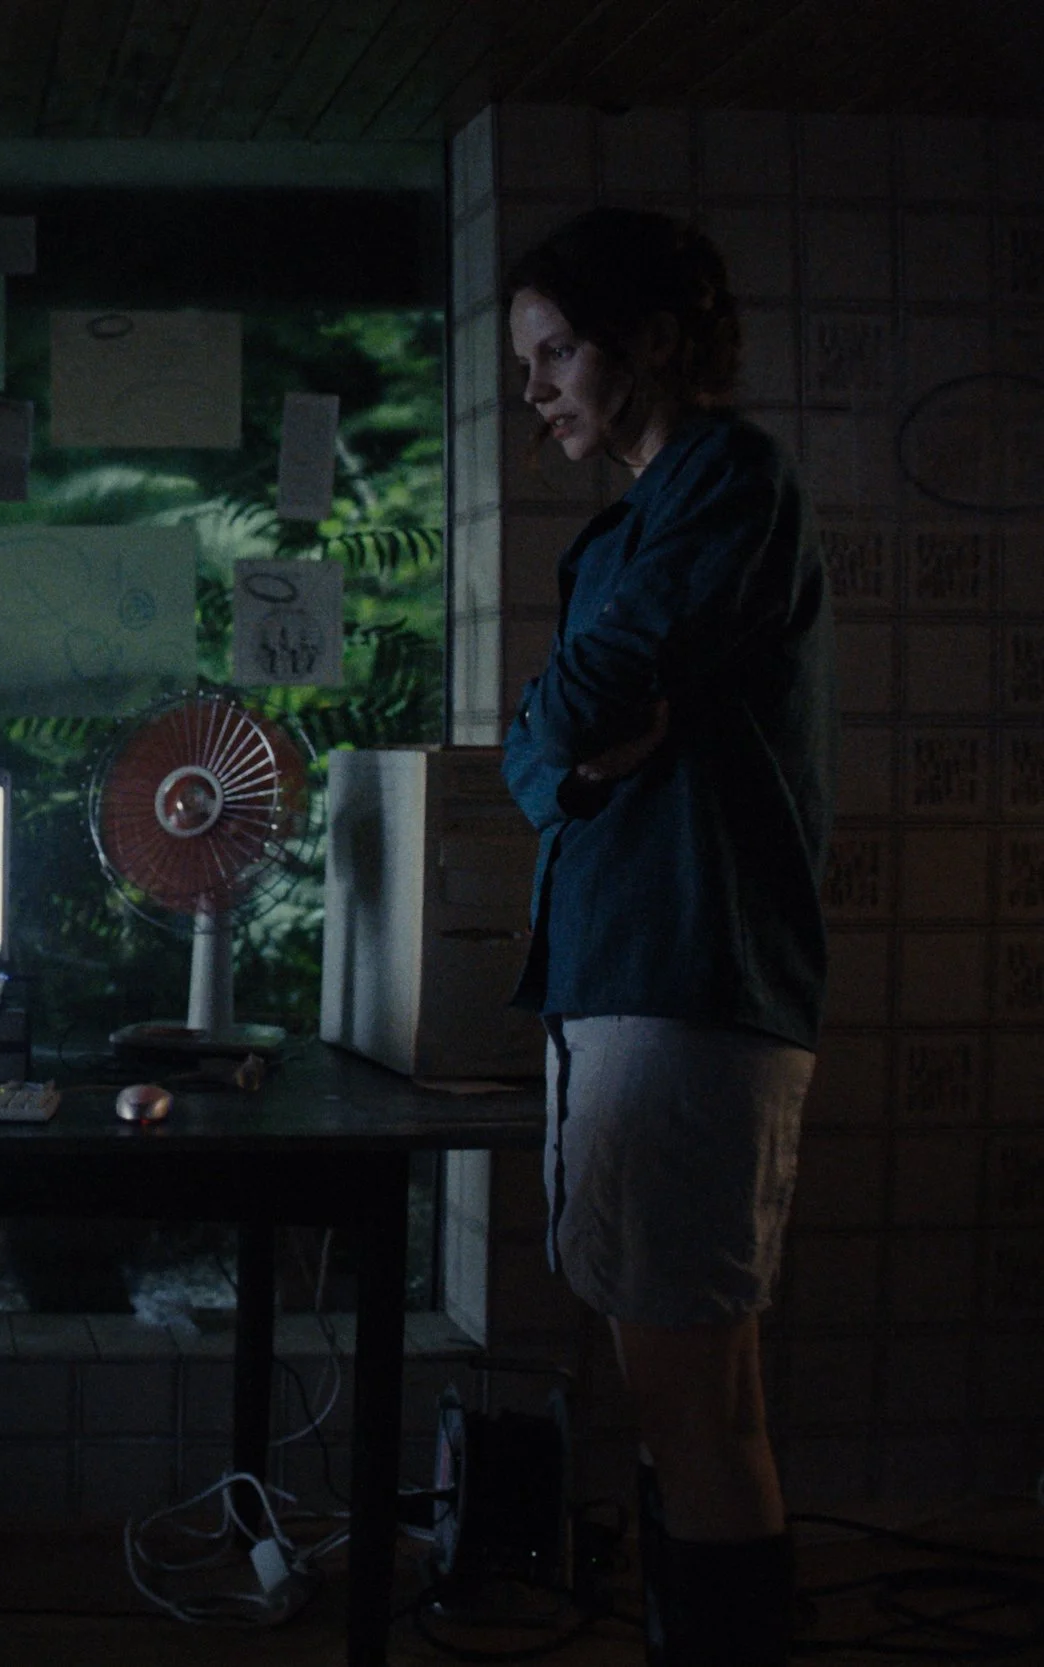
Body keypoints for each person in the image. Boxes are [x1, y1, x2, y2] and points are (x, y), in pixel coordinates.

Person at [500, 208, 833, 1667]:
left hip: (687, 975)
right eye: (529, 362)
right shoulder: (631, 523)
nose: (538, 389)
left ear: (649, 340)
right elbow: (544, 754)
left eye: (557, 349)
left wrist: (562, 739)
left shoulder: (728, 479)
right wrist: (564, 756)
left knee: (695, 1401)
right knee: (701, 1395)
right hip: (639, 976)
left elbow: (587, 692)